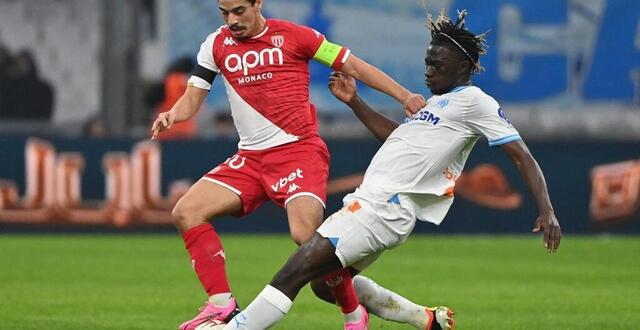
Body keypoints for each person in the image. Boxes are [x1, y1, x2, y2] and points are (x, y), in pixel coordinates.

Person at [224, 9, 562, 330]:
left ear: (463, 66)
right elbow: (397, 138)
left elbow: (521, 155)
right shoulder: (435, 105)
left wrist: (546, 209)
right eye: (427, 63)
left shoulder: (476, 102)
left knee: (292, 274)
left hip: (382, 208)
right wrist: (355, 101)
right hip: (376, 207)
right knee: (324, 285)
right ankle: (426, 319)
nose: (428, 71)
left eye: (437, 64)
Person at [149, 1, 426, 329]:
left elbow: (354, 66)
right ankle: (220, 304)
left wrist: (405, 96)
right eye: (225, 13)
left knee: (306, 237)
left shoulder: (296, 37)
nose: (232, 20)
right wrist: (172, 114)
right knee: (186, 211)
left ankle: (353, 313)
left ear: (257, 3)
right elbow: (192, 97)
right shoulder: (215, 45)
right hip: (251, 159)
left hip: (298, 152)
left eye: (239, 10)